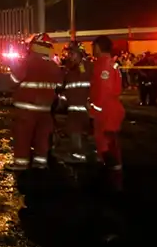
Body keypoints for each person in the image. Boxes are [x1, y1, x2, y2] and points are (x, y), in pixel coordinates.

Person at [7, 33, 63, 171]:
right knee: (42, 138)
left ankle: (21, 164)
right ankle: (40, 163)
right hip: (45, 109)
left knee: (23, 137)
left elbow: (13, 80)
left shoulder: (28, 61)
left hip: (26, 109)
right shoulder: (54, 65)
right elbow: (59, 85)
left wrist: (14, 66)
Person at [89, 35, 126, 191]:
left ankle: (114, 182)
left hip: (106, 111)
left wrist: (94, 110)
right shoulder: (110, 64)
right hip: (110, 109)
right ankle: (112, 176)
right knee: (108, 144)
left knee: (107, 144)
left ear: (98, 47)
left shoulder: (103, 65)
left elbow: (104, 91)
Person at [56, 41, 93, 164]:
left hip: (80, 105)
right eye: (69, 53)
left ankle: (78, 156)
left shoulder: (82, 65)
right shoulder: (71, 67)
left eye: (72, 53)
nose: (69, 56)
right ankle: (83, 153)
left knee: (75, 129)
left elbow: (82, 77)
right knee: (76, 130)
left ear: (80, 54)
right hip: (74, 105)